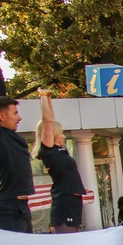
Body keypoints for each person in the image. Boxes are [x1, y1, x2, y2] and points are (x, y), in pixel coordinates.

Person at [0, 52, 35, 232]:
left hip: (22, 207)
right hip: (8, 208)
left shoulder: (10, 135)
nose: (19, 118)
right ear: (1, 117)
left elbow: (1, 97)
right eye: (15, 114)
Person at [33, 89, 86, 233]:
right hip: (64, 200)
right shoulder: (48, 150)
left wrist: (49, 98)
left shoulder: (61, 150)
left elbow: (52, 119)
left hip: (73, 200)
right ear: (54, 134)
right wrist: (43, 96)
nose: (63, 136)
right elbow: (47, 122)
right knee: (67, 239)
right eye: (60, 132)